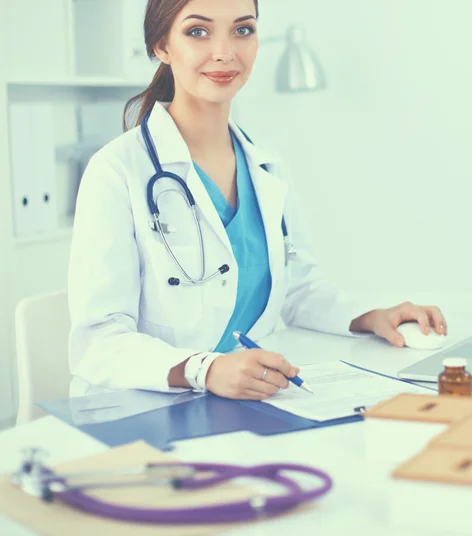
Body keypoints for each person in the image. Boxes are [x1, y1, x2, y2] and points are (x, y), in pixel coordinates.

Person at [68, 0, 448, 400]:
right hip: (142, 405)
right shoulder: (116, 170)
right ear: (162, 46)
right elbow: (98, 340)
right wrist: (205, 369)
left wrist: (373, 317)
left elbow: (299, 290)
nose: (224, 52)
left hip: (245, 399)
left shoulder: (266, 166)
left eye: (242, 30)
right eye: (198, 31)